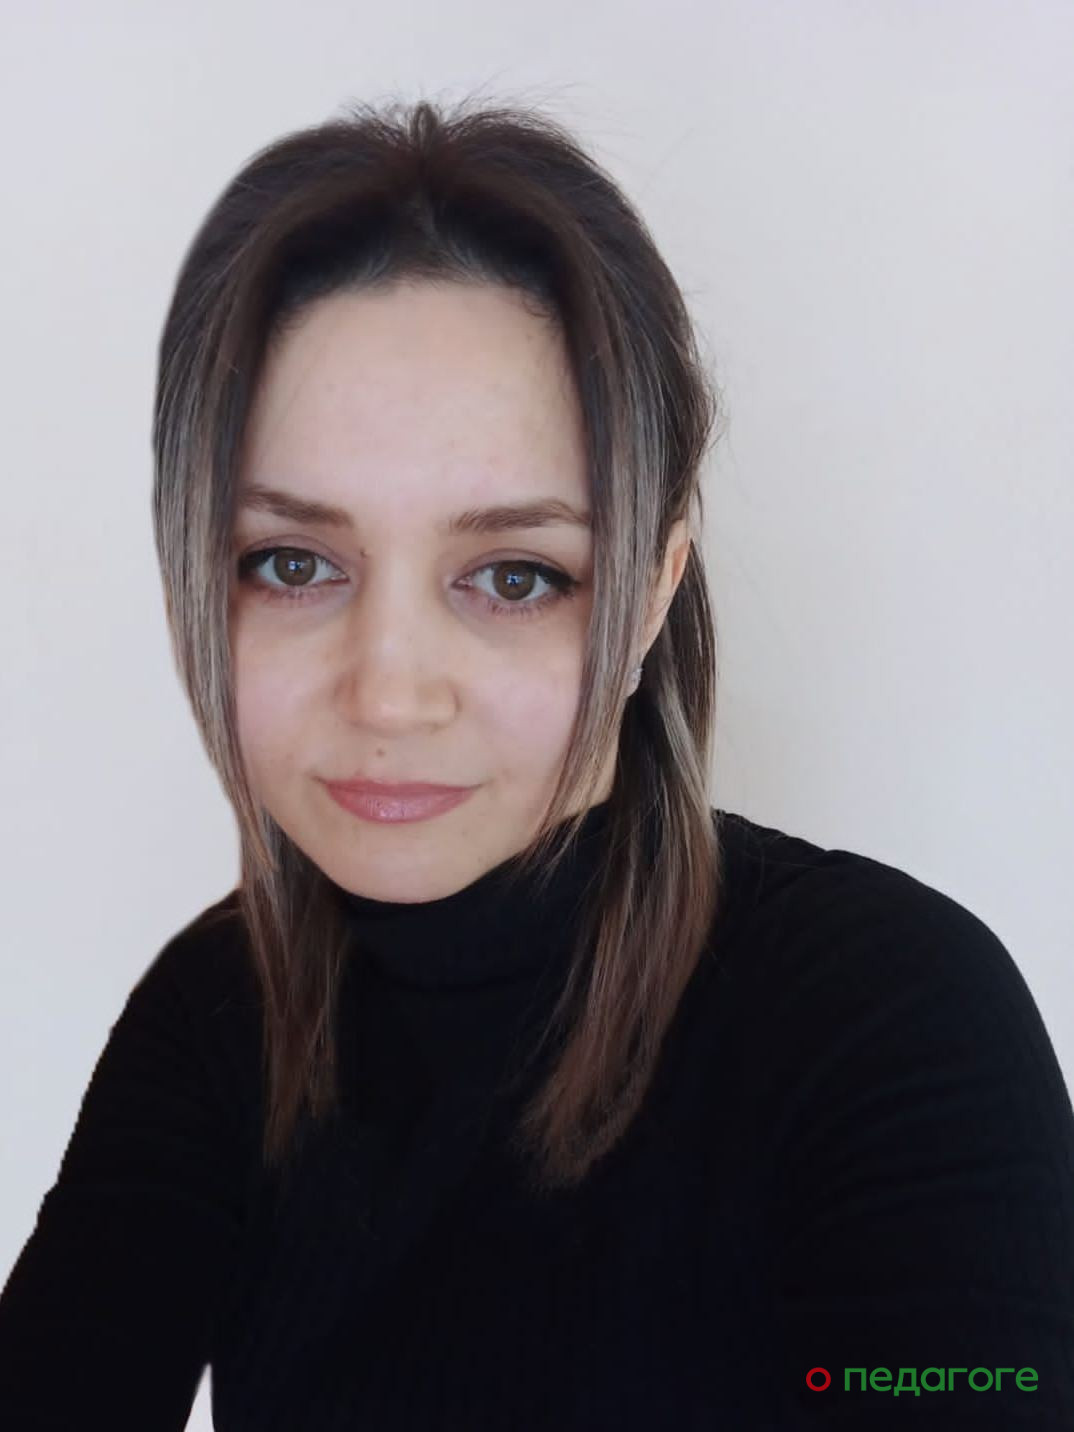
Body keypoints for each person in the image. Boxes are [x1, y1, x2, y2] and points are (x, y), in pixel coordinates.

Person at [2, 95, 1072, 1431]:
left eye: (514, 575)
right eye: (291, 563)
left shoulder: (888, 1022)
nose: (390, 692)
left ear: (649, 593)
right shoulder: (221, 1015)